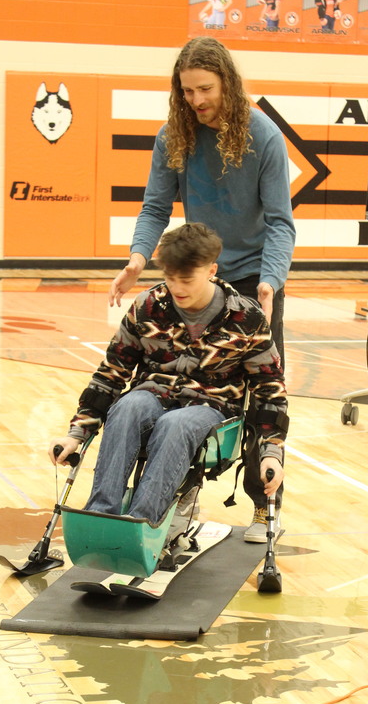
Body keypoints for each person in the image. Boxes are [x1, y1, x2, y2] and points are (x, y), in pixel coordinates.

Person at [107, 37, 295, 542]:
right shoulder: (175, 135)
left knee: (260, 399)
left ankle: (263, 506)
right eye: (186, 91)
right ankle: (180, 489)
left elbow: (281, 223)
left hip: (255, 282)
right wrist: (137, 261)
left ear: (227, 84)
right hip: (198, 270)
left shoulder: (264, 136)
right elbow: (154, 208)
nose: (196, 100)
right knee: (181, 387)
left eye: (205, 89)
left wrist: (270, 284)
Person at [50, 223, 287, 533]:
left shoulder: (247, 317)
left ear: (212, 270)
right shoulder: (147, 306)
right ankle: (101, 519)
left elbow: (270, 391)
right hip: (152, 397)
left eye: (187, 279)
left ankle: (143, 526)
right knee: (126, 406)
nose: (177, 288)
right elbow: (111, 372)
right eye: (170, 278)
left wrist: (272, 453)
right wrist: (76, 433)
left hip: (213, 410)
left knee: (174, 424)